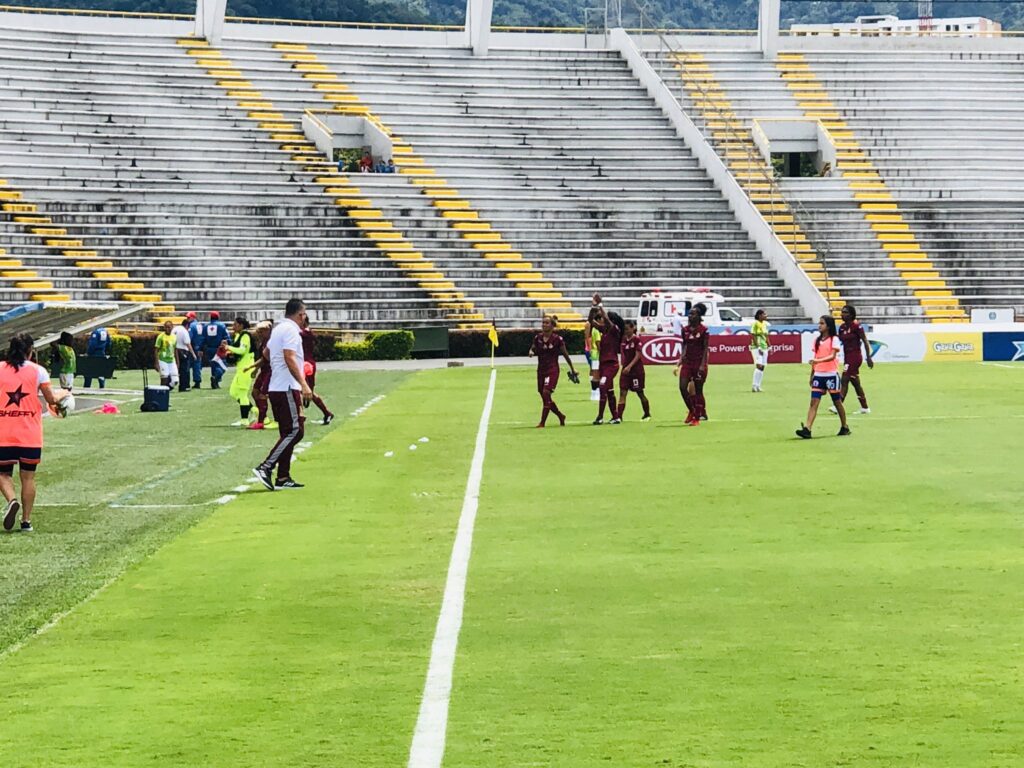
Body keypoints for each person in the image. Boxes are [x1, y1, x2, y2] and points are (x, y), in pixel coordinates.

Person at [0, 333, 66, 532]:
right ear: (30, 351)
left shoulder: (0, 369)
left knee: (3, 474)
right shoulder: (39, 371)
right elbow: (51, 399)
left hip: (4, 430)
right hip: (30, 433)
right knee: (28, 477)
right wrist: (63, 396)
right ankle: (26, 521)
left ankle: (12, 500)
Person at [252, 299, 313, 491]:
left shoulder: (278, 328)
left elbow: (267, 353)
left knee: (288, 431)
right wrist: (303, 384)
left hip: (277, 386)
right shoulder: (291, 331)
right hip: (287, 386)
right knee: (296, 431)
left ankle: (283, 476)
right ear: (300, 314)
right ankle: (266, 466)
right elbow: (289, 356)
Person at [796, 315, 851, 439]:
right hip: (819, 375)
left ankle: (844, 426)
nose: (819, 325)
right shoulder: (816, 340)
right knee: (814, 402)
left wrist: (817, 361)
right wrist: (812, 374)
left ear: (828, 326)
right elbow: (816, 357)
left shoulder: (834, 339)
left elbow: (832, 356)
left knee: (837, 402)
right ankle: (807, 428)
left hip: (831, 374)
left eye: (822, 323)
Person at [528, 314, 578, 428]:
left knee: (546, 393)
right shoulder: (538, 338)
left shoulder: (557, 339)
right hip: (541, 370)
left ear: (552, 325)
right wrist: (531, 351)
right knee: (545, 396)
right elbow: (532, 347)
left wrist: (572, 368)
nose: (544, 325)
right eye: (543, 323)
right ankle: (560, 415)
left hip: (552, 370)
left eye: (547, 323)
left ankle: (542, 422)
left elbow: (565, 355)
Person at [834, 304, 874, 414]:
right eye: (842, 312)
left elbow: (865, 341)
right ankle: (865, 407)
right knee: (855, 382)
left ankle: (838, 404)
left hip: (855, 356)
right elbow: (838, 339)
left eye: (845, 312)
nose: (842, 314)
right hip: (847, 357)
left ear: (851, 315)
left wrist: (869, 357)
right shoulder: (842, 328)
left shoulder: (857, 327)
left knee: (844, 379)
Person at [674, 305, 709, 426]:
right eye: (689, 314)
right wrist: (680, 360)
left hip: (699, 362)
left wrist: (702, 365)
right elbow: (684, 345)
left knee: (698, 391)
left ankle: (697, 417)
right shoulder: (685, 329)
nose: (690, 316)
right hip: (688, 362)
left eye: (693, 314)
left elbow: (705, 348)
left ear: (699, 316)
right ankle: (693, 411)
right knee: (682, 387)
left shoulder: (704, 330)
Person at [590, 304, 623, 425]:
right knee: (609, 390)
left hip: (611, 364)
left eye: (605, 318)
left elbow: (608, 322)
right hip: (603, 365)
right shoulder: (604, 331)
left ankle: (600, 416)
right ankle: (616, 417)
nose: (602, 319)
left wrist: (600, 307)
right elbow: (591, 322)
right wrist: (592, 310)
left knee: (602, 386)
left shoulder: (615, 330)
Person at [613, 319, 650, 423]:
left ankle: (647, 413)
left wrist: (629, 366)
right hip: (625, 371)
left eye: (628, 329)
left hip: (636, 371)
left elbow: (638, 355)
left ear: (633, 328)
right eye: (625, 329)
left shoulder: (637, 340)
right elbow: (623, 353)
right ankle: (619, 417)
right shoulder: (624, 340)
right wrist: (624, 365)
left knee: (640, 393)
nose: (626, 331)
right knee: (622, 393)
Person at [300, 316, 334, 426]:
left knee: (306, 390)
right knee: (305, 390)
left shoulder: (304, 333)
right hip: (307, 363)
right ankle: (325, 413)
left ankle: (325, 413)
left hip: (306, 364)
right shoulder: (307, 333)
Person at [225, 317, 256, 427]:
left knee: (242, 393)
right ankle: (253, 409)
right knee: (233, 391)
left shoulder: (245, 336)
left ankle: (244, 419)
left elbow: (243, 350)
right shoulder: (238, 336)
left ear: (241, 326)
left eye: (235, 324)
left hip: (246, 367)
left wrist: (228, 347)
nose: (233, 327)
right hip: (241, 367)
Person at [246, 321, 274, 430]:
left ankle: (261, 422)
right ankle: (264, 416)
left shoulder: (271, 342)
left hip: (270, 371)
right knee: (255, 392)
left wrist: (251, 367)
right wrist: (256, 370)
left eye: (262, 331)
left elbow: (265, 359)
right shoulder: (264, 341)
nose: (259, 333)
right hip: (264, 370)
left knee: (263, 395)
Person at [201, 311, 230, 389]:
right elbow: (227, 337)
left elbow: (203, 339)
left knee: (214, 365)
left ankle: (215, 382)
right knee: (223, 366)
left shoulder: (205, 326)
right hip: (219, 349)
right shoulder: (222, 326)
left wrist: (201, 349)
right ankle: (216, 377)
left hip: (209, 348)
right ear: (218, 317)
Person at [153, 321, 179, 388]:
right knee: (164, 378)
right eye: (166, 327)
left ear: (172, 327)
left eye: (169, 327)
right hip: (163, 360)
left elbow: (175, 349)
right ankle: (162, 391)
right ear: (164, 327)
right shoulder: (161, 337)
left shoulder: (174, 337)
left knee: (175, 381)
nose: (168, 329)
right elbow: (156, 350)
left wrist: (177, 361)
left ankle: (167, 389)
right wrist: (156, 363)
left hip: (171, 360)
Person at [750, 309, 770, 392]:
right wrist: (758, 347)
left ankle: (758, 386)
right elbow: (753, 335)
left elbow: (766, 336)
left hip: (765, 347)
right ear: (759, 315)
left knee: (763, 367)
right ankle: (754, 385)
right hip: (757, 347)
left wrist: (770, 346)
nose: (766, 316)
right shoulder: (755, 324)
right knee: (759, 366)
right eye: (764, 314)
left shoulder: (765, 324)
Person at [173, 317, 195, 392]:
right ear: (187, 326)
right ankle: (184, 386)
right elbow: (188, 343)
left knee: (176, 368)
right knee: (184, 370)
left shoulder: (175, 329)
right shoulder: (184, 331)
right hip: (182, 351)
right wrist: (193, 354)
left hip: (174, 350)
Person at [187, 312, 205, 388]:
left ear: (193, 317)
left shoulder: (191, 326)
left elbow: (189, 338)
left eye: (188, 317)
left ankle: (192, 381)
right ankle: (197, 380)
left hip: (193, 346)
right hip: (200, 347)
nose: (187, 319)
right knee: (197, 364)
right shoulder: (200, 325)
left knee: (190, 364)